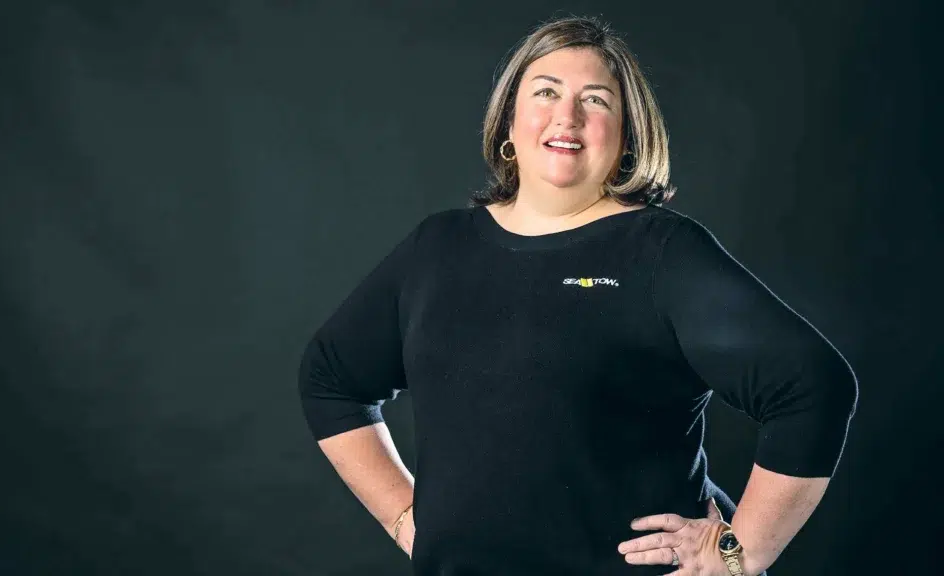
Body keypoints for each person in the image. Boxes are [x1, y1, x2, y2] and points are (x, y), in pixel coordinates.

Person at [297, 14, 857, 576]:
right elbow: (330, 378)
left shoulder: (660, 252)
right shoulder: (437, 247)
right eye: (546, 92)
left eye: (596, 100)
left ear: (626, 134)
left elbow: (813, 387)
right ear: (508, 120)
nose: (567, 116)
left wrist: (741, 552)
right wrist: (402, 515)